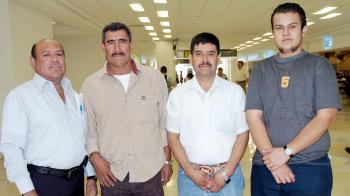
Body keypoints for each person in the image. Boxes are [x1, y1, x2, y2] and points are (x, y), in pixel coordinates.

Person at [245, 3, 341, 196]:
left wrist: (286, 152)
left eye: (292, 26)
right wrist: (272, 160)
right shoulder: (261, 70)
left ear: (304, 29)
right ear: (273, 32)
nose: (285, 33)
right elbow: (254, 118)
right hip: (265, 167)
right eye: (279, 28)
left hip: (310, 166)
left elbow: (326, 117)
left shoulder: (319, 66)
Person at [81, 22, 172, 196]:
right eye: (110, 42)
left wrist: (167, 162)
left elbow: (164, 125)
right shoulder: (90, 85)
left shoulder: (154, 79)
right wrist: (95, 158)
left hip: (150, 173)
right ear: (103, 47)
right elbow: (88, 131)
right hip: (112, 175)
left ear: (131, 44)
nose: (117, 48)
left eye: (122, 41)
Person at [0, 38, 97, 196]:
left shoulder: (74, 96)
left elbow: (82, 139)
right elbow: (12, 148)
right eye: (46, 55)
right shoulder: (20, 96)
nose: (55, 59)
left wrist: (91, 176)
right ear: (33, 62)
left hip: (77, 180)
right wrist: (28, 191)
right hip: (43, 183)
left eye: (59, 54)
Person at [167, 32, 249, 196]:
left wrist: (225, 173)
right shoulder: (178, 95)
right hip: (190, 179)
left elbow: (243, 134)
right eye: (199, 54)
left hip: (229, 178)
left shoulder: (235, 92)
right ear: (191, 59)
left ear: (218, 58)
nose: (205, 59)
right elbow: (172, 137)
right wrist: (191, 172)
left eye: (210, 54)